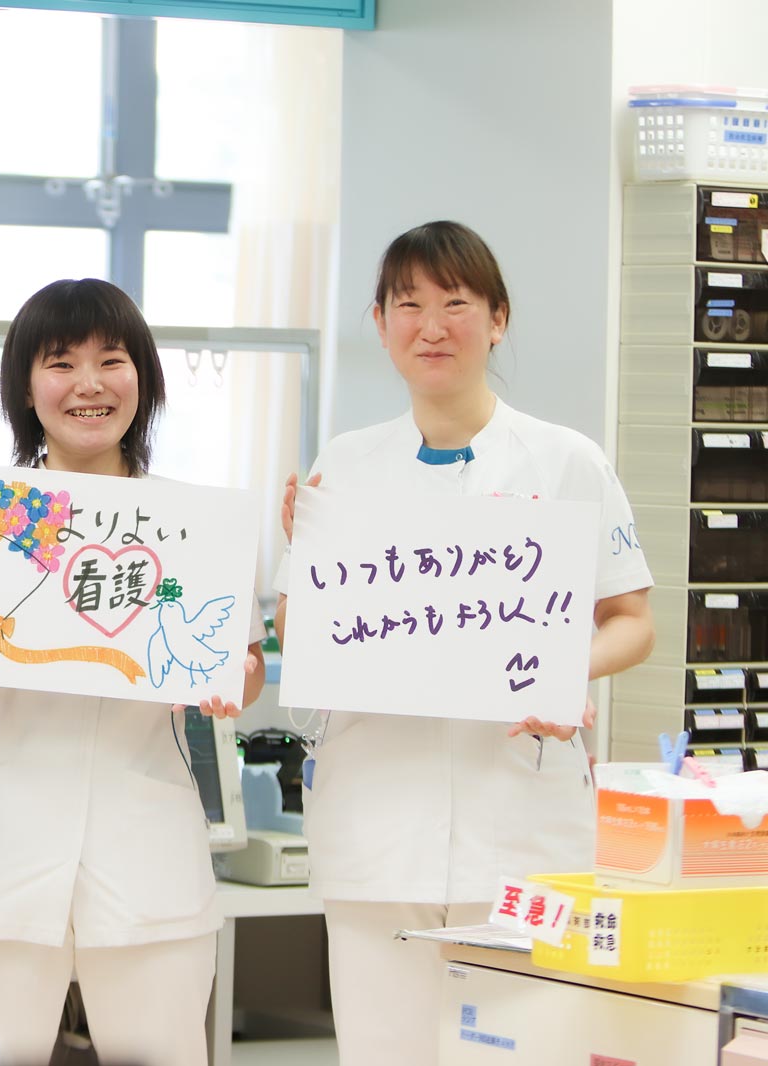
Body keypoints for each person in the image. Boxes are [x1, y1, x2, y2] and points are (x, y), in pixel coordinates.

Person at [272, 221, 656, 1066]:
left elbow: (633, 621)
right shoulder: (346, 464)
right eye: (408, 306)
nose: (432, 327)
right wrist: (307, 557)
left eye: (456, 303)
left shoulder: (565, 461)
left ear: (498, 319)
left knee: (527, 1053)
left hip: (524, 826)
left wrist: (561, 670)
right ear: (381, 324)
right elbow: (298, 633)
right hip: (377, 828)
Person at [0, 278, 265, 1066]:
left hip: (148, 853)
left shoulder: (194, 526)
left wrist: (232, 679)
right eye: (61, 363)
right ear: (25, 387)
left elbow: (241, 674)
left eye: (111, 360)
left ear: (144, 377)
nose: (89, 384)